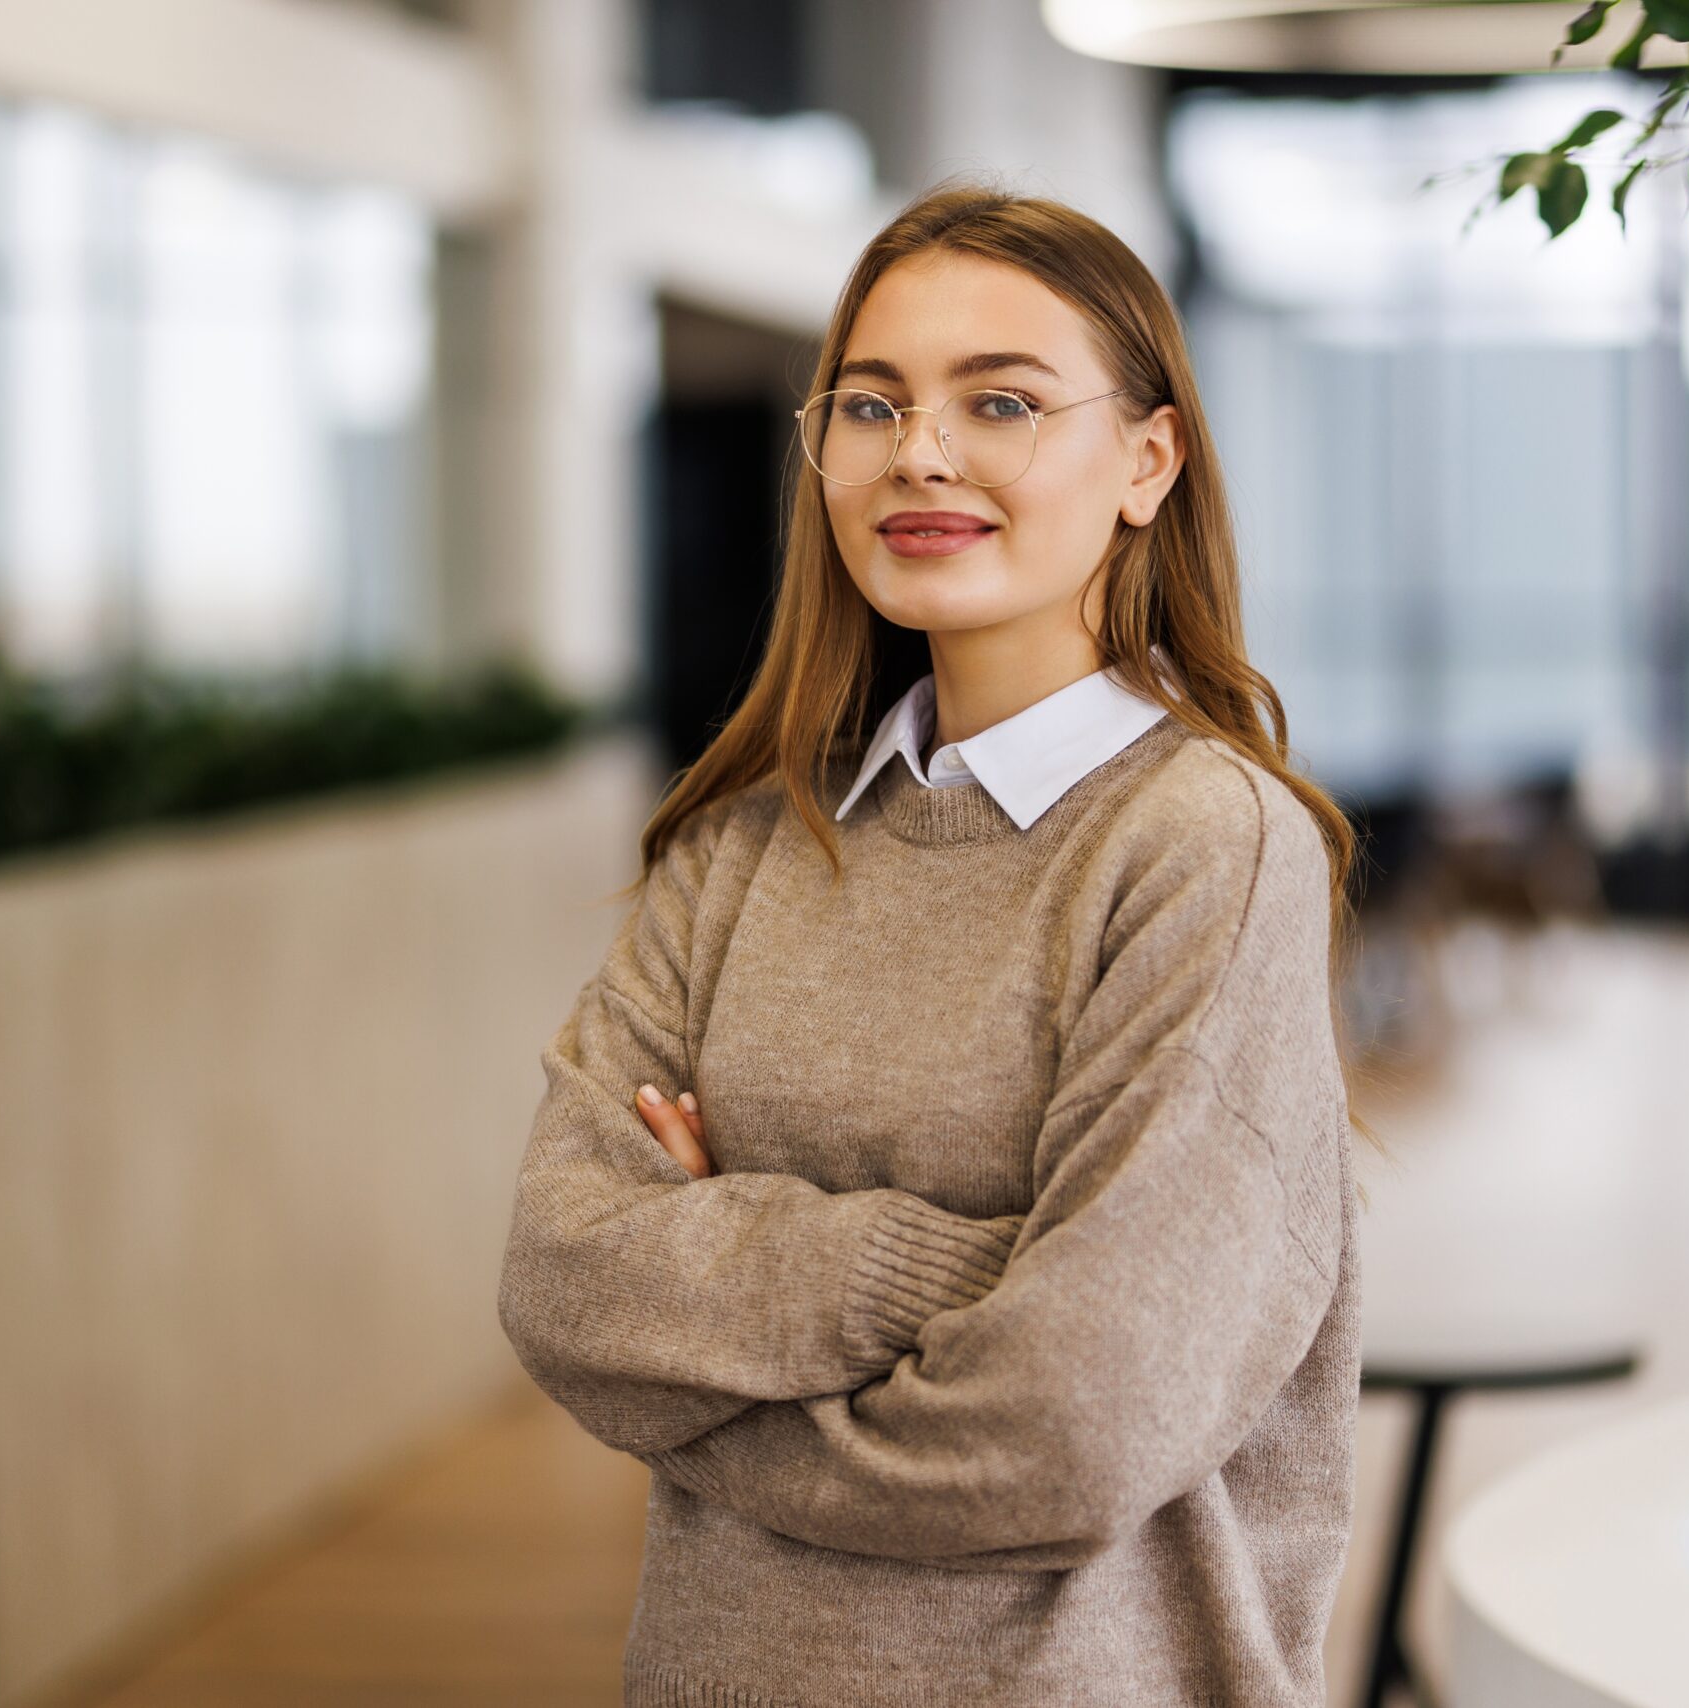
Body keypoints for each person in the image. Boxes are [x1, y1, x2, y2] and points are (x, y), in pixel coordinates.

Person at [495, 175, 1373, 1707]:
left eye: (1004, 402)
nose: (922, 454)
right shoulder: (747, 843)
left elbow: (1079, 1418)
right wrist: (969, 1270)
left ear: (1147, 460)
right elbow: (567, 1283)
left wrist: (710, 1337)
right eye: (869, 405)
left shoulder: (1204, 845)